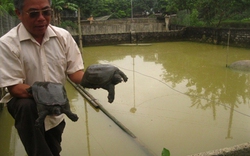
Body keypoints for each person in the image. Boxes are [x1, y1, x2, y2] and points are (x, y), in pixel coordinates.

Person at [0, 0, 84, 155]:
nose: (41, 18)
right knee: (26, 106)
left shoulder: (62, 37)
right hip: (27, 105)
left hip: (56, 108)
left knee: (53, 148)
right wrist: (50, 96)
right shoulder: (7, 44)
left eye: (46, 12)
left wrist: (97, 78)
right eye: (33, 14)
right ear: (18, 13)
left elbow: (75, 73)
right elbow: (15, 87)